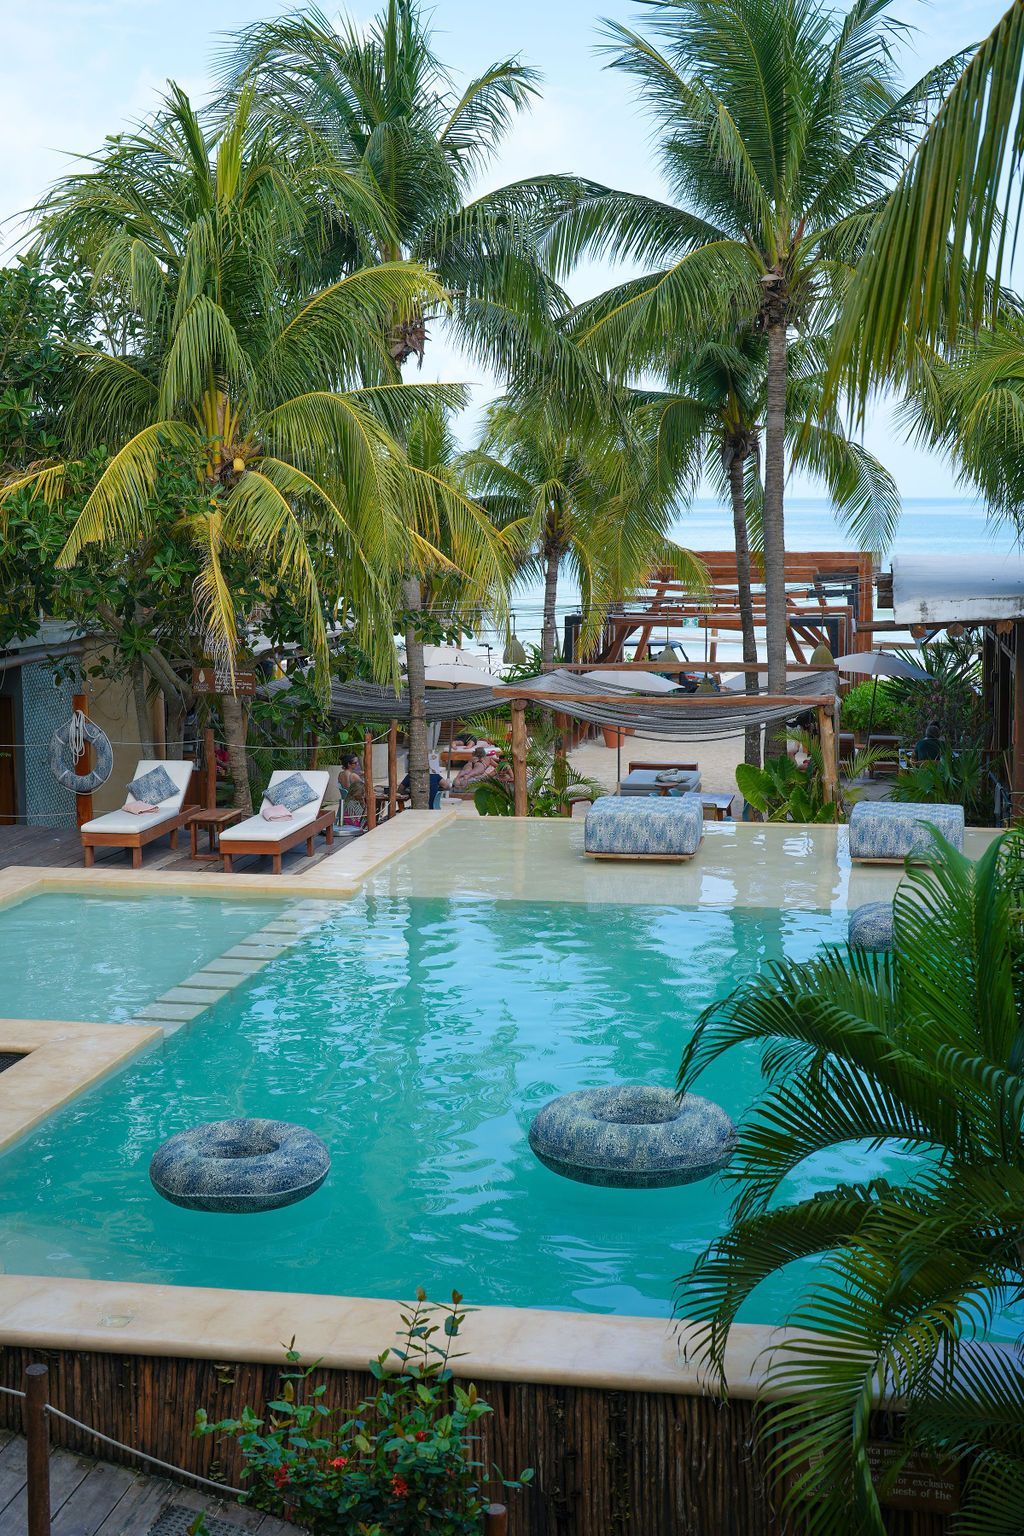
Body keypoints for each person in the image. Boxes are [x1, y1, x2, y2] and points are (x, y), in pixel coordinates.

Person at [337, 753, 366, 827]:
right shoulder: (353, 776)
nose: (357, 765)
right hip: (353, 802)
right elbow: (364, 787)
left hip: (345, 800)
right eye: (355, 763)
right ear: (349, 764)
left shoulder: (340, 774)